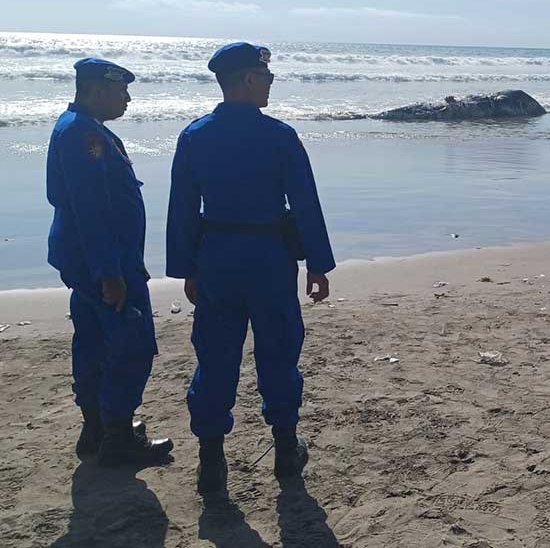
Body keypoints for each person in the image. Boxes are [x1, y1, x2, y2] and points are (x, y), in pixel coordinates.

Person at [166, 42, 335, 494]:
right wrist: (317, 263)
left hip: (217, 256)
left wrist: (186, 267)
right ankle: (284, 451)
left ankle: (212, 462)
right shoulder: (280, 136)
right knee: (279, 353)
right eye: (266, 78)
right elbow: (305, 204)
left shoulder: (195, 136)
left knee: (215, 356)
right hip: (268, 258)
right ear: (246, 79)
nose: (270, 86)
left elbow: (181, 208)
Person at [46, 58, 173, 464]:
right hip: (105, 263)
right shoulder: (84, 136)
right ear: (98, 90)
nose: (128, 99)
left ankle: (97, 428)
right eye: (121, 91)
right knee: (130, 344)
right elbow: (92, 209)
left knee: (94, 341)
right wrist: (110, 273)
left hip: (91, 261)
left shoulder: (84, 130)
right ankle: (116, 434)